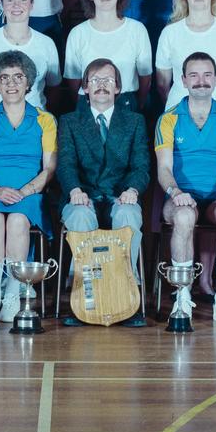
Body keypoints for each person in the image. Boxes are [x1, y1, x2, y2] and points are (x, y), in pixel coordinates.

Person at [154, 52, 216, 325]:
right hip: (181, 197)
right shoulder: (168, 118)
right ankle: (182, 297)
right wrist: (175, 192)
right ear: (183, 80)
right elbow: (164, 168)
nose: (201, 81)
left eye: (207, 75)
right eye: (193, 75)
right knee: (183, 217)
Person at [56, 58, 150, 327]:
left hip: (120, 195)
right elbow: (65, 163)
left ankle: (127, 298)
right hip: (82, 194)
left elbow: (141, 165)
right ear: (84, 88)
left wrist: (132, 189)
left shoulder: (134, 121)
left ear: (118, 88)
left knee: (128, 215)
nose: (101, 85)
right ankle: (82, 300)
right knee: (80, 216)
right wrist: (75, 190)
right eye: (95, 80)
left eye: (108, 80)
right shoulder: (70, 121)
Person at [0, 51, 58, 322]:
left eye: (18, 77)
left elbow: (49, 168)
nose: (11, 83)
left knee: (18, 221)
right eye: (4, 77)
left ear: (28, 82)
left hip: (29, 193)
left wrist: (25, 191)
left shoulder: (44, 119)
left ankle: (12, 294)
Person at [62, 0, 152, 114]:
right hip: (88, 103)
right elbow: (73, 81)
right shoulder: (77, 33)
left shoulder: (137, 30)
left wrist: (138, 104)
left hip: (126, 103)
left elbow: (145, 77)